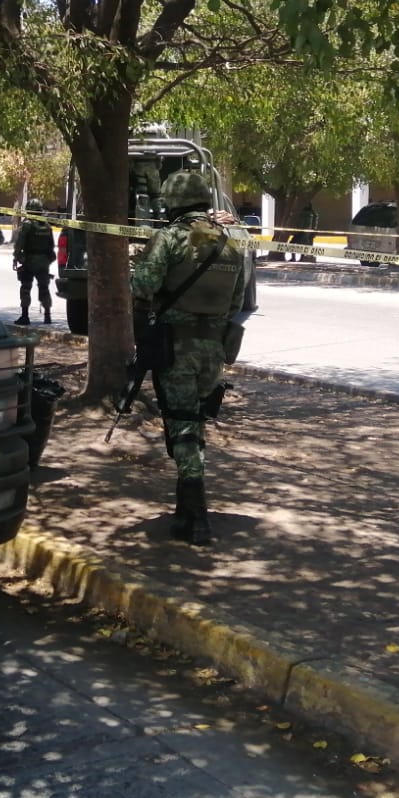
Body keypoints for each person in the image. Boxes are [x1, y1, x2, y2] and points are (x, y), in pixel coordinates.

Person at [130, 170, 247, 547]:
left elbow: (142, 286)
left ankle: (196, 517)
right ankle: (186, 510)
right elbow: (237, 301)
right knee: (194, 423)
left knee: (181, 427)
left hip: (176, 349)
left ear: (172, 203)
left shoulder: (168, 238)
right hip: (214, 351)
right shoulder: (231, 241)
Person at [12, 198, 56, 325]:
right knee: (44, 288)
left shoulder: (27, 225)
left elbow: (19, 244)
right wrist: (47, 260)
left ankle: (25, 316)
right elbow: (51, 246)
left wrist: (16, 257)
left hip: (29, 261)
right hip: (43, 262)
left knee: (25, 288)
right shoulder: (47, 226)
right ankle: (47, 316)